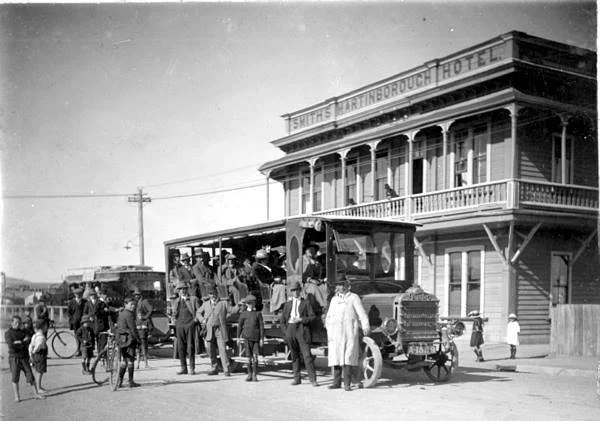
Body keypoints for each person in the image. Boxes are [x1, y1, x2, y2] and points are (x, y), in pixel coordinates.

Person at [325, 274, 370, 391]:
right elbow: (329, 316)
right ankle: (336, 382)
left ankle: (347, 383)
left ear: (347, 286)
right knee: (336, 356)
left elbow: (361, 313)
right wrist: (328, 328)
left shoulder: (353, 298)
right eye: (339, 285)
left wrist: (365, 326)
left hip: (349, 332)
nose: (340, 287)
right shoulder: (334, 300)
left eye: (342, 285)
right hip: (336, 333)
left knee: (347, 357)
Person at [280, 280, 319, 387]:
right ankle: (296, 378)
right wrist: (286, 332)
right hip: (291, 330)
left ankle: (313, 380)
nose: (295, 293)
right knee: (294, 356)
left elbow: (312, 317)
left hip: (302, 329)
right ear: (291, 292)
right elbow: (282, 321)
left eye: (297, 290)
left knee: (307, 356)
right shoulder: (287, 305)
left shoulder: (306, 303)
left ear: (300, 291)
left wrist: (301, 319)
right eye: (293, 291)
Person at [197, 286, 237, 376]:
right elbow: (198, 312)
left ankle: (226, 369)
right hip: (209, 330)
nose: (213, 296)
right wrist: (202, 320)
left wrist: (240, 305)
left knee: (222, 349)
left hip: (220, 330)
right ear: (209, 295)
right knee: (210, 350)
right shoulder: (206, 304)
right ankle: (214, 368)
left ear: (217, 294)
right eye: (211, 294)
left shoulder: (223, 303)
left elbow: (232, 310)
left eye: (214, 294)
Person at [5, 315, 45, 402]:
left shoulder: (24, 332)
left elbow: (29, 339)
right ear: (11, 323)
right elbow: (11, 346)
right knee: (15, 377)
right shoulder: (8, 333)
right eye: (16, 322)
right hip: (14, 358)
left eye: (19, 323)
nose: (18, 324)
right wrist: (22, 343)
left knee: (30, 375)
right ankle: (17, 397)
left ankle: (36, 394)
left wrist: (20, 343)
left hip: (24, 357)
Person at [173, 281, 201, 375]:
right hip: (180, 325)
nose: (182, 291)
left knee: (190, 347)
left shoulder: (193, 299)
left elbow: (199, 311)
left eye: (184, 289)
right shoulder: (176, 301)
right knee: (180, 348)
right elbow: (174, 314)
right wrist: (174, 321)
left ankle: (192, 368)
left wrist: (195, 320)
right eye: (180, 289)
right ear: (178, 291)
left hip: (189, 324)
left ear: (187, 290)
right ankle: (183, 368)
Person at [236, 294, 264, 382]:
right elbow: (239, 326)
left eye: (254, 303)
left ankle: (255, 375)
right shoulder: (243, 314)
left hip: (256, 339)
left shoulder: (258, 314)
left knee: (255, 357)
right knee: (248, 357)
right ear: (247, 304)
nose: (252, 305)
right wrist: (238, 337)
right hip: (247, 339)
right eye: (251, 303)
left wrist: (262, 338)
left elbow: (261, 327)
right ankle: (249, 374)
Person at [116, 297, 141, 388]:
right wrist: (138, 340)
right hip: (129, 340)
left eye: (134, 304)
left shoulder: (121, 313)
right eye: (131, 304)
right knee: (130, 361)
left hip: (121, 339)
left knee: (124, 361)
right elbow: (132, 329)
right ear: (125, 304)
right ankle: (131, 381)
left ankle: (119, 381)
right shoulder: (129, 314)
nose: (133, 306)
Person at [132, 287, 153, 369]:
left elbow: (150, 310)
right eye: (135, 295)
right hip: (136, 326)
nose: (137, 296)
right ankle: (137, 364)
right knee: (137, 346)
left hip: (143, 326)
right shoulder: (135, 303)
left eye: (138, 295)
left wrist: (144, 317)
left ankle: (146, 364)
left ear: (141, 295)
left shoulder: (144, 301)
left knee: (143, 345)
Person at [83, 289, 109, 354]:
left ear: (96, 295)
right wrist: (89, 317)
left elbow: (105, 311)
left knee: (99, 338)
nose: (93, 296)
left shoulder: (100, 302)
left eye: (94, 295)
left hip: (99, 322)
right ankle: (91, 351)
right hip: (91, 323)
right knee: (91, 337)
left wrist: (102, 312)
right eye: (91, 295)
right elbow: (85, 313)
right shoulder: (87, 303)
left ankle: (100, 351)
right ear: (89, 296)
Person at [28, 320, 48, 393]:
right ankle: (38, 388)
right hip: (40, 354)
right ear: (42, 328)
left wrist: (31, 353)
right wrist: (35, 350)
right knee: (40, 371)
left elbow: (31, 345)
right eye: (45, 326)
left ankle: (38, 386)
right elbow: (38, 346)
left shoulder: (35, 335)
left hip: (35, 355)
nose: (46, 328)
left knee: (37, 370)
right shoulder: (41, 337)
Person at [68, 287, 86, 356]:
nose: (78, 295)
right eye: (77, 294)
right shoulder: (71, 302)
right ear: (75, 294)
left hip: (83, 322)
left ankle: (83, 350)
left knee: (84, 335)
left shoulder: (85, 302)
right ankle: (78, 350)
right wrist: (71, 321)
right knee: (77, 335)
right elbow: (69, 313)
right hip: (75, 322)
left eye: (80, 294)